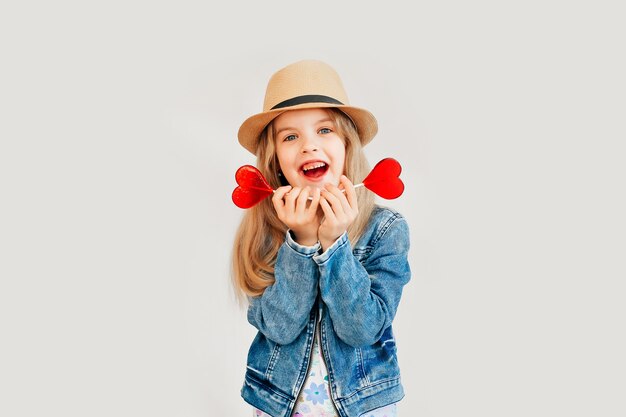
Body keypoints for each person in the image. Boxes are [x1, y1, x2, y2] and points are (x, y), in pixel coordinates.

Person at [231, 60, 411, 417]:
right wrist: (300, 243)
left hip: (363, 408)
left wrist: (334, 245)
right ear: (276, 160)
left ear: (347, 144)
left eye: (324, 130)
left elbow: (362, 328)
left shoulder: (385, 229)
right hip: (279, 407)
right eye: (290, 136)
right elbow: (279, 328)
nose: (309, 146)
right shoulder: (266, 229)